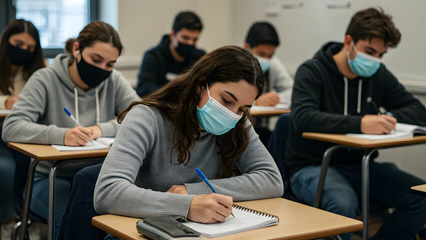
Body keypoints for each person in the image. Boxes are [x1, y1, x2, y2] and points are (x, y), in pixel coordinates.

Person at [94, 46, 283, 223]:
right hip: (143, 229)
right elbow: (108, 192)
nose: (232, 114)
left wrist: (191, 191)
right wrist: (188, 206)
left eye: (243, 108)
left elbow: (272, 179)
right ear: (201, 85)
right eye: (226, 100)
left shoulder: (237, 124)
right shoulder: (147, 118)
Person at [285, 8, 426, 240]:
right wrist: (360, 124)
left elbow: (419, 111)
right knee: (342, 204)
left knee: (420, 196)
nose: (375, 61)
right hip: (313, 166)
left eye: (381, 55)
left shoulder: (378, 74)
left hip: (362, 164)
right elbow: (303, 117)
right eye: (369, 51)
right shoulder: (312, 71)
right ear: (348, 42)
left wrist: (387, 117)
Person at [2, 21, 141, 238]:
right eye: (96, 60)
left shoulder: (113, 80)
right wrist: (62, 135)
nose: (102, 69)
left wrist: (100, 129)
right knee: (76, 218)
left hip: (98, 178)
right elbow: (12, 126)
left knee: (116, 225)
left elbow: (140, 117)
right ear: (77, 50)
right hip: (51, 179)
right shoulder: (44, 79)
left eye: (110, 64)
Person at [0, 19, 45, 239]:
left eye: (29, 48)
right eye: (18, 43)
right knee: (3, 167)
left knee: (36, 165)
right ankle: (7, 225)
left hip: (27, 134)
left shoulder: (38, 71)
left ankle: (32, 220)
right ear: (6, 40)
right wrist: (5, 102)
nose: (24, 51)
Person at [243, 22, 294, 145]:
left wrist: (275, 98)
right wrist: (256, 102)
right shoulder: (235, 63)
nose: (266, 59)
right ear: (247, 47)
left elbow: (293, 90)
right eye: (261, 54)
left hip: (261, 130)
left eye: (270, 55)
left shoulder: (273, 64)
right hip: (237, 130)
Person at [136, 11, 206, 97]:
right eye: (185, 38)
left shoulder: (200, 58)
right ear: (173, 35)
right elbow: (144, 89)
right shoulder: (153, 56)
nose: (190, 43)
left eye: (194, 40)